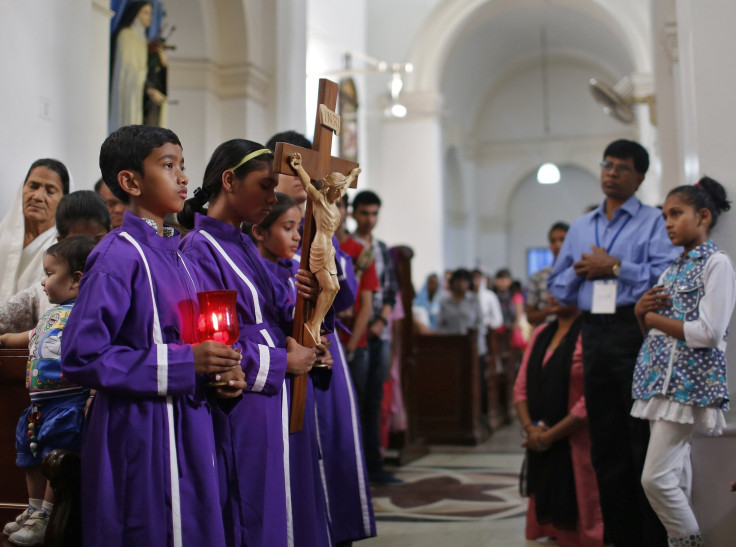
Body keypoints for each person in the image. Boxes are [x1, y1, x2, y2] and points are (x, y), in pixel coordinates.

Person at [61, 125, 245, 546]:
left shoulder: (180, 256)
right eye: (168, 165)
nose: (183, 177)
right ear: (130, 182)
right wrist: (186, 363)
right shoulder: (116, 255)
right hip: (139, 430)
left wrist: (221, 372)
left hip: (189, 422)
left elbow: (198, 338)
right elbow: (81, 356)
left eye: (183, 165)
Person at [177, 139, 321, 547]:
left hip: (274, 392)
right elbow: (211, 343)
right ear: (228, 181)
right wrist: (282, 363)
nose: (272, 197)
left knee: (283, 508)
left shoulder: (242, 244)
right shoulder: (199, 248)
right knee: (251, 510)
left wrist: (306, 298)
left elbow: (273, 312)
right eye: (264, 185)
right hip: (244, 400)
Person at [547, 139, 678, 546]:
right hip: (594, 332)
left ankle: (650, 539)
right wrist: (583, 273)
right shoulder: (583, 226)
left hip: (635, 330)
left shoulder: (655, 222)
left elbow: (665, 279)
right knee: (604, 444)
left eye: (622, 167)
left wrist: (616, 266)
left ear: (638, 177)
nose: (611, 172)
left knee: (640, 442)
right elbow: (558, 286)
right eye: (607, 164)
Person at [269, 132, 376, 542]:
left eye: (311, 167)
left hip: (325, 355)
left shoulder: (323, 224)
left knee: (333, 453)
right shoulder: (260, 232)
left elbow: (345, 296)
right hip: (285, 359)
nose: (302, 177)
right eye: (294, 166)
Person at [632, 177, 735, 546]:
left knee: (655, 478)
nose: (668, 223)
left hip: (689, 384)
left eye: (676, 214)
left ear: (703, 216)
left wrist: (652, 318)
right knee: (676, 477)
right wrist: (640, 315)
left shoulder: (718, 264)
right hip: (659, 382)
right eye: (664, 217)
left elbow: (710, 332)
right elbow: (656, 335)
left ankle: (689, 541)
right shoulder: (671, 270)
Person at [1, 236, 96, 546]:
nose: (42, 282)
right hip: (39, 406)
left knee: (55, 458)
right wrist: (3, 340)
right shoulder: (51, 315)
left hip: (67, 403)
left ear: (76, 280)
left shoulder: (85, 316)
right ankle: (33, 509)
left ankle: (48, 514)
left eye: (49, 273)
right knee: (29, 454)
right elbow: (26, 337)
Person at [514, 299, 604, 547]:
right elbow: (521, 386)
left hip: (578, 437)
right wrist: (531, 429)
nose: (554, 295)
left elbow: (592, 395)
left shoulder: (591, 330)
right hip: (540, 431)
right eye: (553, 288)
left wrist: (551, 435)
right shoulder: (542, 332)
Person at [0, 190, 111, 335]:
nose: (90, 251)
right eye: (79, 243)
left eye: (97, 240)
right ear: (61, 242)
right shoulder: (43, 292)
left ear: (110, 234)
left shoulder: (125, 282)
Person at [351, 190, 400, 483]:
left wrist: (381, 320)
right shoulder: (347, 245)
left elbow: (392, 289)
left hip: (379, 331)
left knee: (375, 398)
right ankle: (357, 468)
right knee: (357, 397)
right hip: (358, 330)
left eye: (374, 213)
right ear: (355, 214)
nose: (370, 219)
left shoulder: (382, 248)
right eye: (365, 213)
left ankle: (375, 464)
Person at [288, 152, 361, 345]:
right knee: (328, 287)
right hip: (320, 247)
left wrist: (352, 175)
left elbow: (344, 187)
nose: (339, 194)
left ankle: (316, 321)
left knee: (333, 288)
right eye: (335, 190)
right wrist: (298, 167)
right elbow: (307, 185)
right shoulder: (320, 201)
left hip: (330, 248)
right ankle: (313, 323)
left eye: (339, 191)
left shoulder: (334, 200)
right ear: (328, 188)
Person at [0, 158, 70, 300]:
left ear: (64, 199)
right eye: (33, 186)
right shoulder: (2, 235)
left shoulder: (63, 250)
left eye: (50, 191)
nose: (38, 196)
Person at [109, 2, 159, 131]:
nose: (150, 17)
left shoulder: (142, 40)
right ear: (136, 13)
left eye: (151, 13)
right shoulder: (126, 35)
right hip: (127, 89)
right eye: (145, 13)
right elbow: (125, 67)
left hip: (139, 90)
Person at [526, 222, 569, 325]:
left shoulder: (579, 273)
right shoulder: (538, 276)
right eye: (553, 241)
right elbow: (530, 317)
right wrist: (551, 310)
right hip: (546, 332)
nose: (557, 245)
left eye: (562, 240)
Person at [436, 268, 483, 336]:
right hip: (451, 341)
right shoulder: (445, 301)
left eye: (464, 280)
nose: (461, 283)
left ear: (469, 283)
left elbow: (480, 322)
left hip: (471, 341)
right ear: (453, 282)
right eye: (458, 280)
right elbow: (440, 325)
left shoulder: (474, 300)